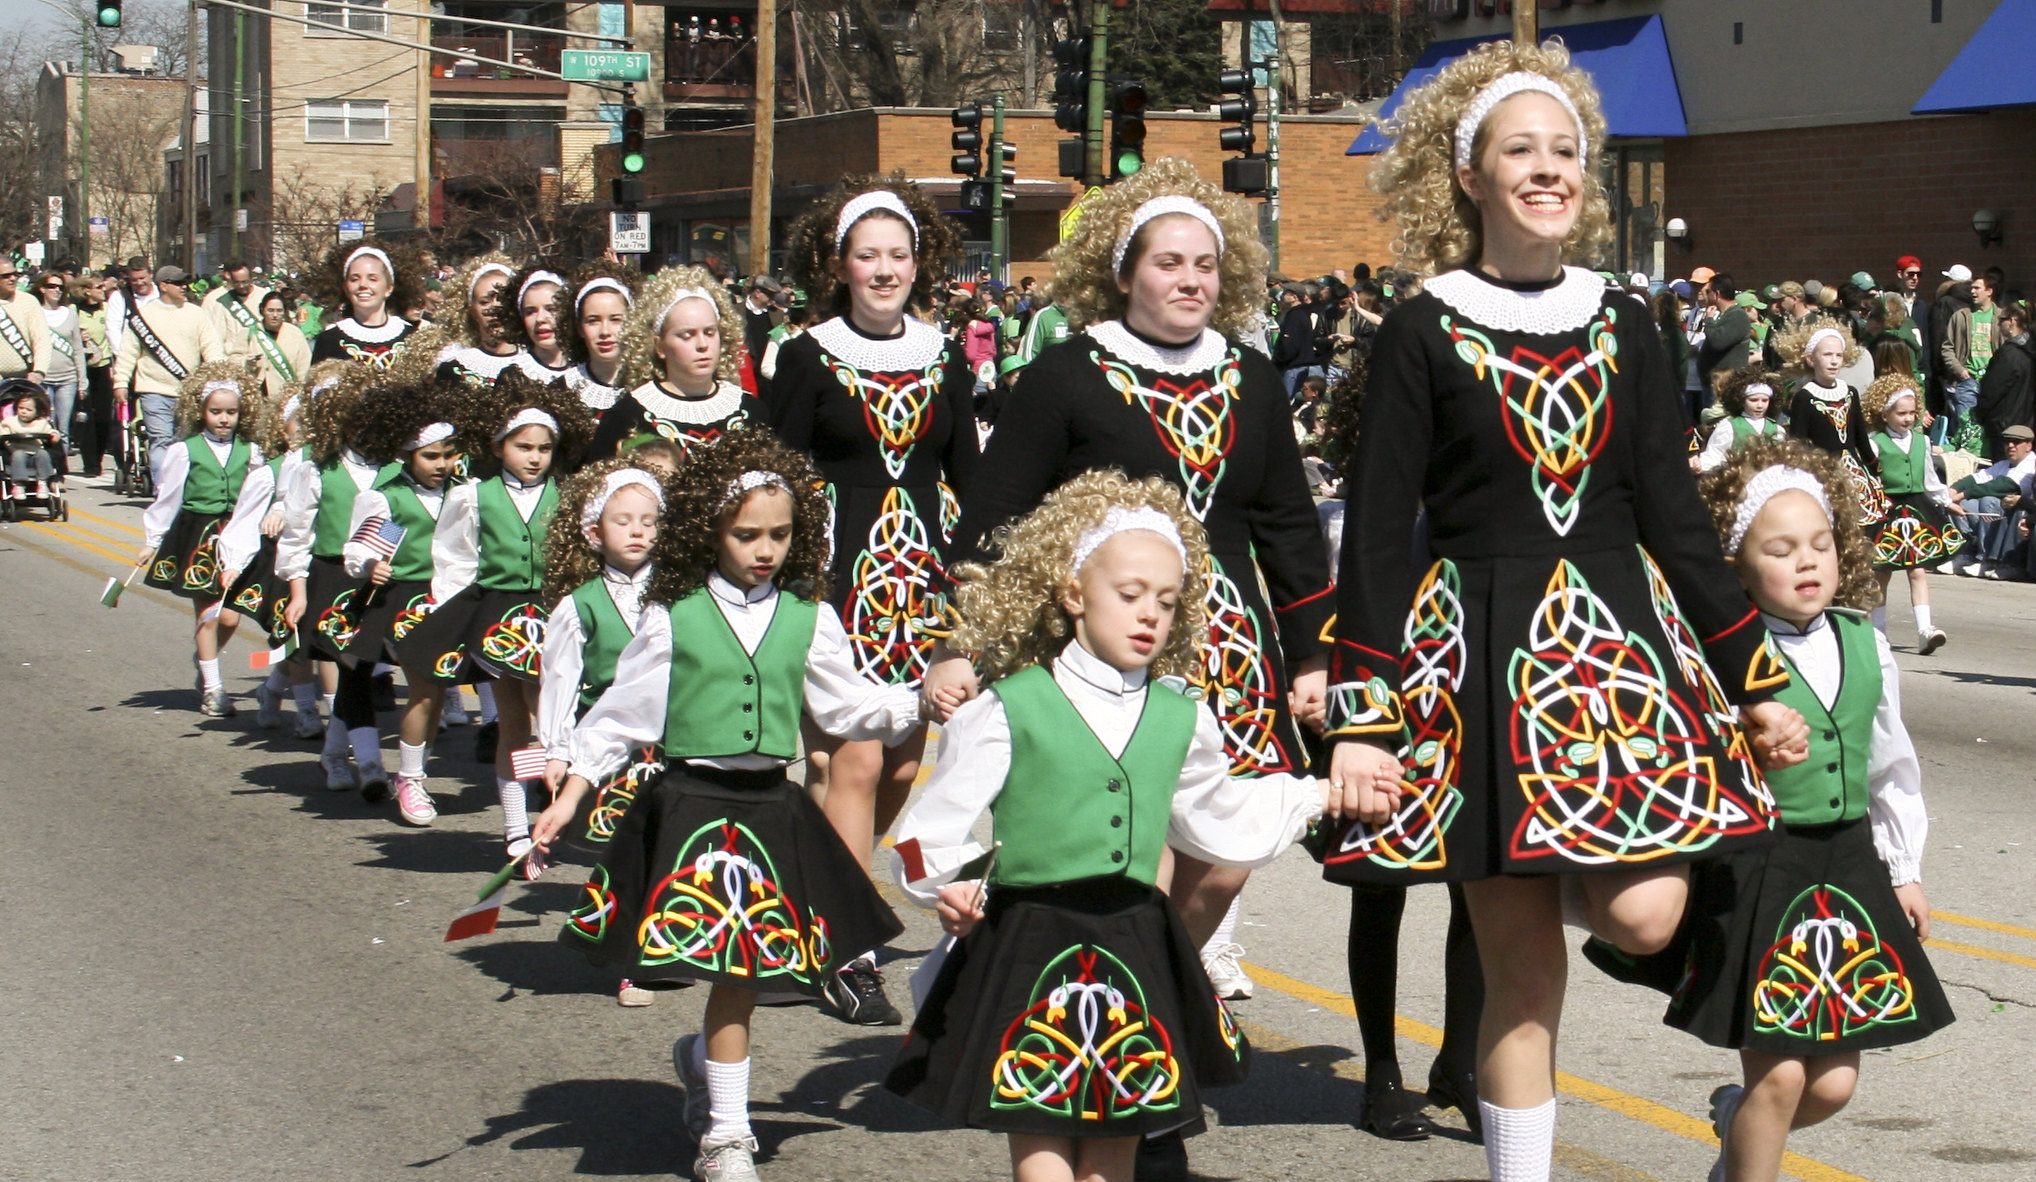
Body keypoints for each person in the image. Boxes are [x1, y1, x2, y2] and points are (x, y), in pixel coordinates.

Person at [1317, 42, 1809, 1181]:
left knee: (1641, 914)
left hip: (1615, 665)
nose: (1547, 170)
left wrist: (1753, 678)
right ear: (1467, 176)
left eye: (1565, 152)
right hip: (1473, 663)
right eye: (1518, 151)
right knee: (1518, 971)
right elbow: (1383, 529)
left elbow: (1675, 516)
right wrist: (1361, 708)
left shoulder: (1626, 319)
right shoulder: (1420, 326)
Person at [933, 162, 1332, 1043]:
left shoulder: (1255, 379)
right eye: (1167, 263)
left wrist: (1310, 653)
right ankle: (1134, 1046)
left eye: (1205, 265)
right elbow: (996, 515)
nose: (1190, 281)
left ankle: (1151, 1001)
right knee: (1137, 855)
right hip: (1118, 652)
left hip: (1233, 646)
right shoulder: (1065, 377)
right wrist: (961, 643)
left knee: (1226, 858)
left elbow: (1289, 525)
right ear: (1120, 274)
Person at [885, 471, 1333, 1182]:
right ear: (1072, 595)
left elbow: (1218, 819)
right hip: (1030, 938)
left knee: (1112, 1161)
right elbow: (923, 833)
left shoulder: (1181, 715)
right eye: (1129, 596)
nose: (1149, 614)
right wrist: (953, 884)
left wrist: (1316, 796)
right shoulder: (1010, 706)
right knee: (1040, 1142)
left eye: (1165, 600)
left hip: (1132, 944)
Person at [530, 430, 926, 1182]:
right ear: (708, 532)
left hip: (769, 812)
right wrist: (568, 796)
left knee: (746, 972)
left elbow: (850, 711)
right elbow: (620, 719)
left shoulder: (811, 619)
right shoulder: (672, 615)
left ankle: (714, 1092)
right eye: (746, 534)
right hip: (690, 808)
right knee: (726, 971)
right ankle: (728, 1133)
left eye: (779, 534)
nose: (765, 549)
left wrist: (922, 697)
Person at [1589, 437, 1951, 1182]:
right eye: (1782, 550)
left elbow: (1890, 769)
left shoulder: (1866, 643)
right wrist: (1742, 751)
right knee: (1781, 1076)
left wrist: (1906, 870)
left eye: (1820, 544)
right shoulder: (1723, 653)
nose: (1808, 562)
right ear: (1737, 569)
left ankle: (1736, 1118)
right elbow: (1677, 756)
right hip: (1764, 868)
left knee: (1834, 1083)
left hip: (1849, 869)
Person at [769, 179, 976, 1026]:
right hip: (836, 577)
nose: (884, 269)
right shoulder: (805, 355)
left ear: (918, 264)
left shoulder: (944, 353)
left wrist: (975, 572)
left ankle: (821, 894)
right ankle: (846, 949)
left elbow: (970, 468)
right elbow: (771, 472)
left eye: (898, 255)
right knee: (850, 761)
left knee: (897, 766)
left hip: (920, 586)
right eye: (868, 255)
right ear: (840, 264)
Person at [396, 372, 593, 847]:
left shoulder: (566, 495)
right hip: (498, 616)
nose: (534, 457)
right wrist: (448, 615)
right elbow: (455, 558)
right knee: (514, 718)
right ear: (499, 446)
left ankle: (546, 805)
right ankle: (514, 824)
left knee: (549, 715)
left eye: (544, 449)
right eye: (524, 447)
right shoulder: (473, 496)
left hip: (550, 613)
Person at [533, 459, 670, 1006]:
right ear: (594, 532)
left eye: (648, 521)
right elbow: (560, 681)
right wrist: (556, 749)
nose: (637, 531)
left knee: (665, 846)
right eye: (623, 521)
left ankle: (650, 941)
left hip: (668, 742)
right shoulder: (579, 604)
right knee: (625, 850)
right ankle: (627, 962)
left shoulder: (679, 593)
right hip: (609, 746)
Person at [336, 377, 461, 825]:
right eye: (431, 456)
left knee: (438, 691)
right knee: (425, 691)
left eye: (448, 454)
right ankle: (410, 780)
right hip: (406, 601)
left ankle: (414, 768)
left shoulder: (461, 494)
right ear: (407, 456)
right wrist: (372, 565)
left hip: (451, 600)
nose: (442, 464)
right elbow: (369, 546)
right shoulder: (393, 500)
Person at [278, 364, 404, 796]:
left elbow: (394, 525)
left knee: (361, 670)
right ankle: (369, 764)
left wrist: (382, 558)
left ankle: (335, 753)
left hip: (381, 579)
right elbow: (297, 533)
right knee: (353, 668)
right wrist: (296, 589)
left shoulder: (394, 468)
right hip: (332, 578)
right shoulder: (318, 468)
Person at [137, 365, 272, 717]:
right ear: (201, 412)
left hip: (238, 534)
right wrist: (152, 540)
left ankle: (204, 658)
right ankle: (213, 688)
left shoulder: (252, 450)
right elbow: (168, 497)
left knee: (230, 618)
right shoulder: (185, 450)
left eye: (231, 412)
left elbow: (261, 494)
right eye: (216, 412)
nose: (224, 419)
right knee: (208, 614)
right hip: (200, 536)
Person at [588, 266, 762, 462]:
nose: (703, 345)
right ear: (659, 346)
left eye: (710, 332)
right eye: (687, 335)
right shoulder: (627, 416)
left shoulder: (751, 411)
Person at [231, 383, 324, 739]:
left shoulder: (333, 461)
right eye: (297, 424)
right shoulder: (277, 469)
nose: (305, 431)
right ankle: (306, 710)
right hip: (287, 563)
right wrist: (234, 560)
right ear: (282, 430)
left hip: (327, 561)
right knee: (296, 637)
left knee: (313, 641)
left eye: (310, 423)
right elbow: (245, 518)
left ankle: (270, 689)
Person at [1860, 376, 1961, 654]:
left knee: (1917, 570)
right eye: (1900, 413)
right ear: (1885, 414)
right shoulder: (1875, 443)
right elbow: (1867, 479)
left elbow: (1929, 479)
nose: (1907, 418)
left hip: (1917, 511)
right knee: (1882, 572)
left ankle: (1924, 629)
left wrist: (1945, 500)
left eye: (1911, 413)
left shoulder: (1922, 442)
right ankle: (1878, 632)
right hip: (1888, 510)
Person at [115, 265, 225, 480]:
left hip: (188, 392)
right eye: (178, 283)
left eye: (185, 283)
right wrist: (120, 382)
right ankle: (162, 491)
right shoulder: (143, 317)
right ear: (163, 286)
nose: (184, 287)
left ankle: (184, 489)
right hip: (153, 390)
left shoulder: (196, 313)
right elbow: (128, 352)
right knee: (161, 440)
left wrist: (218, 376)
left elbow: (212, 348)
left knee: (185, 443)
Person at [1776, 318, 1888, 529]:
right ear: (1811, 359)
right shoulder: (1804, 397)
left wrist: (1875, 467)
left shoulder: (1850, 392)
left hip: (1855, 473)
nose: (1834, 361)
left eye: (1838, 355)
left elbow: (1860, 437)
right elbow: (1798, 442)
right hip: (1823, 473)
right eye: (1827, 355)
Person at [553, 263, 640, 434]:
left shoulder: (650, 386)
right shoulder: (561, 391)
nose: (605, 332)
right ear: (579, 328)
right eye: (593, 321)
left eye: (616, 320)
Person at [1944, 424, 2036, 580]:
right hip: (2002, 516)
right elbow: (1977, 477)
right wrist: (1953, 490)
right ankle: (1966, 553)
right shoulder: (2003, 464)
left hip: (2022, 514)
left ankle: (1986, 558)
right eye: (2007, 442)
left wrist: (1964, 494)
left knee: (1988, 501)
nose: (2010, 446)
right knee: (1958, 505)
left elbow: (2003, 486)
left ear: (2028, 445)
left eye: (2016, 442)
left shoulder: (2030, 464)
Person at [309, 242, 419, 368]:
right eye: (354, 279)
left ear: (389, 288)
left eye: (372, 279)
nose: (363, 285)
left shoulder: (412, 337)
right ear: (346, 288)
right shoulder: (329, 340)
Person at [427, 255, 522, 388]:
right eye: (484, 302)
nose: (495, 309)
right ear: (472, 311)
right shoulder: (454, 369)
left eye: (503, 299)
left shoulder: (536, 365)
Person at [1939, 268, 2003, 453]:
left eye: (1977, 288)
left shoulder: (2000, 317)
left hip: (1991, 381)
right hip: (1968, 380)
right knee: (1967, 426)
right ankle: (1964, 462)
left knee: (1989, 425)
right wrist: (1960, 370)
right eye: (1972, 288)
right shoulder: (1961, 316)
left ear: (1989, 291)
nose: (1972, 291)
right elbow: (1947, 348)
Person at [1974, 299, 2034, 461]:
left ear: (2013, 321)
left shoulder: (2010, 355)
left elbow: (1991, 390)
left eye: (2001, 320)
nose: (1998, 325)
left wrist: (1979, 414)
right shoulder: (2030, 351)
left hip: (2005, 428)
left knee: (2004, 474)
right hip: (2028, 426)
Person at [32, 271, 83, 453]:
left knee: (64, 426)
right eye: (52, 286)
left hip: (68, 379)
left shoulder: (70, 314)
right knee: (46, 423)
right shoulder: (35, 313)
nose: (57, 290)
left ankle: (61, 467)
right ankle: (48, 463)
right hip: (44, 378)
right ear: (42, 289)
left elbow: (78, 350)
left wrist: (82, 381)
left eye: (60, 287)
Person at [1696, 369, 1783, 473]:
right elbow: (1715, 454)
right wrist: (1702, 466)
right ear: (1741, 400)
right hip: (1738, 479)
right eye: (1753, 400)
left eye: (1765, 400)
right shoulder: (1730, 425)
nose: (1760, 405)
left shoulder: (1776, 428)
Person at [204, 260, 272, 367]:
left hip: (265, 358)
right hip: (236, 363)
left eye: (244, 282)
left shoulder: (265, 296)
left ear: (251, 278)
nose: (241, 286)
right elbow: (217, 337)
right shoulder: (223, 302)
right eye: (237, 282)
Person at [1696, 273, 1754, 397]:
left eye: (1708, 291)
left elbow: (1718, 342)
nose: (1705, 294)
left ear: (1717, 294)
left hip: (1726, 386)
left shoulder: (1737, 316)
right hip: (1714, 385)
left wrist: (1709, 320)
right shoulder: (1726, 315)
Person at [249, 290, 312, 404]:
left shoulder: (295, 333)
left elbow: (304, 365)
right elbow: (235, 359)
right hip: (258, 396)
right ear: (263, 310)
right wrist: (247, 362)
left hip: (287, 397)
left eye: (279, 311)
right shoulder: (250, 332)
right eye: (270, 310)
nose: (275, 315)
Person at [0, 386, 64, 497]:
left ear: (37, 412)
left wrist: (54, 436)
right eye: (21, 408)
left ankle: (43, 482)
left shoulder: (42, 423)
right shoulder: (10, 422)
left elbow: (51, 431)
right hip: (15, 454)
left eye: (29, 410)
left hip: (36, 454)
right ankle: (19, 484)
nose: (24, 412)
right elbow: (2, 431)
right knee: (19, 454)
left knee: (43, 454)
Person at [0, 259, 51, 389]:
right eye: (5, 276)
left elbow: (42, 339)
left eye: (15, 274)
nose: (12, 278)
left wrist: (39, 371)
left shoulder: (28, 302)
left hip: (26, 378)